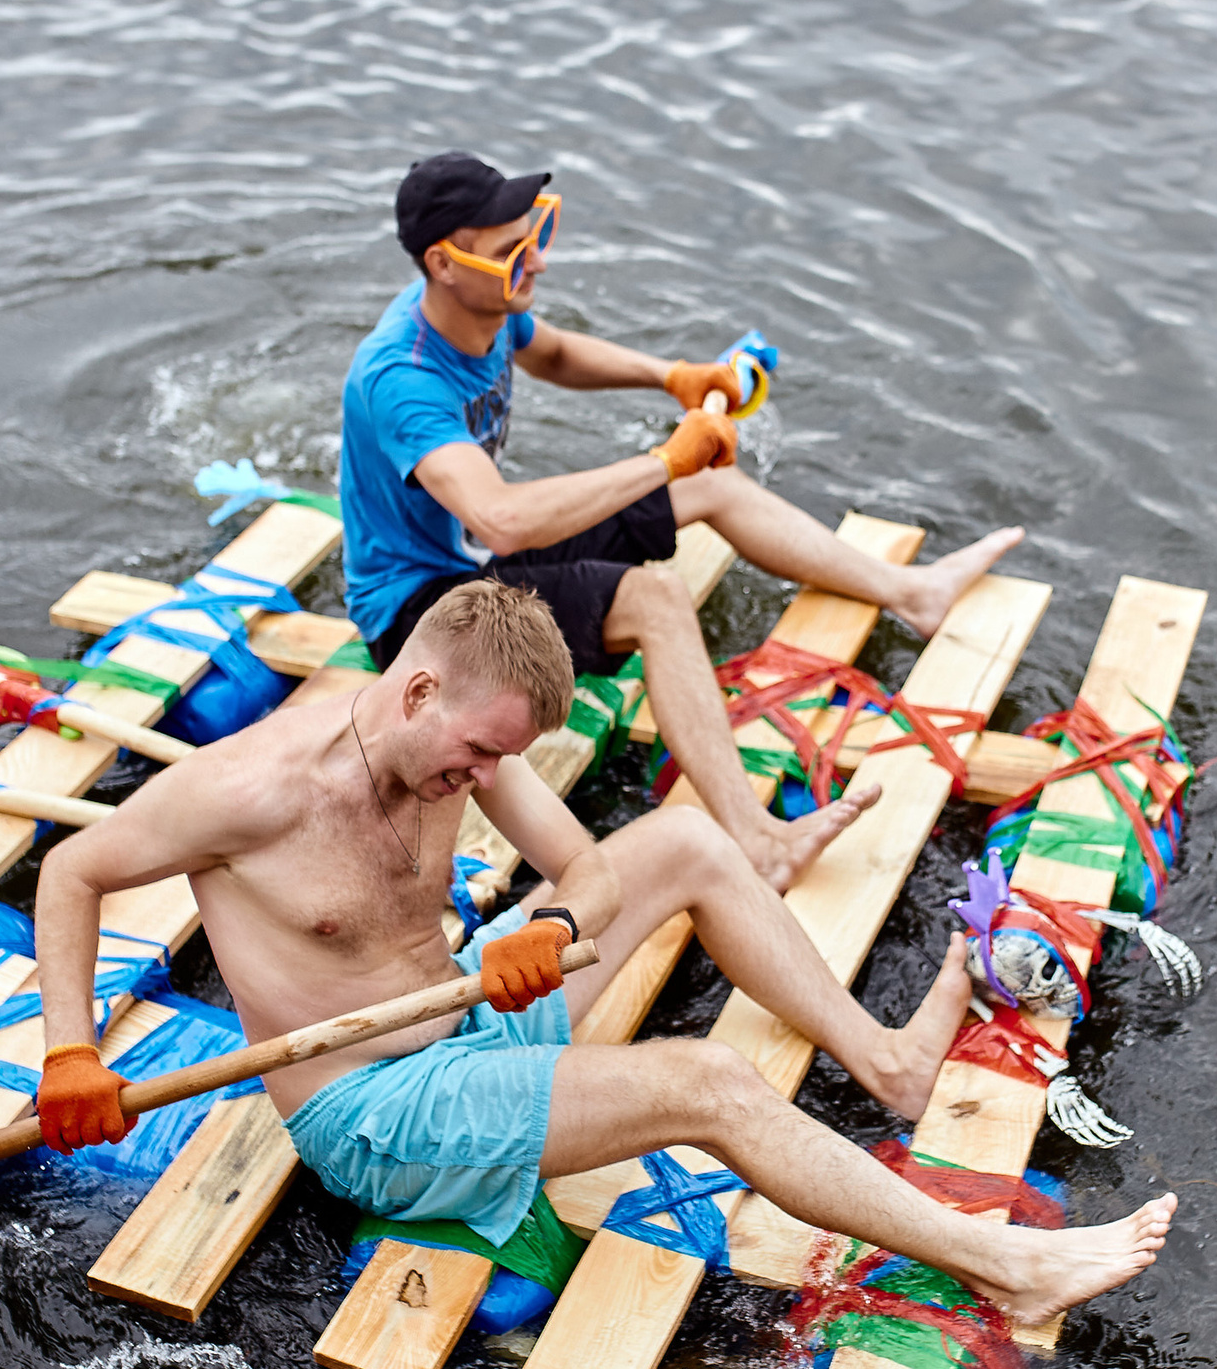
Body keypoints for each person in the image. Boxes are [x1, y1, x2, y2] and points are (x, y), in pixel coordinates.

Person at [29, 581, 1173, 1325]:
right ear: (420, 688)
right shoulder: (247, 793)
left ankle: (890, 1067)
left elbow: (588, 872)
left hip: (472, 1015)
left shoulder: (464, 739)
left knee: (680, 836)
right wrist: (70, 1054)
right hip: (376, 1108)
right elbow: (74, 874)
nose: (482, 782)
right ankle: (1002, 1264)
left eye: (498, 762)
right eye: (475, 755)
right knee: (707, 1081)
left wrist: (552, 928)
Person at [338, 150, 1027, 892]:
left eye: (536, 236)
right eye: (512, 254)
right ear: (443, 264)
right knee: (656, 600)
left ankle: (909, 593)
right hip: (422, 605)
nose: (533, 263)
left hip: (476, 551)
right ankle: (759, 840)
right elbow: (502, 518)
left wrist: (672, 375)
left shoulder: (488, 306)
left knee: (714, 483)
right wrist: (666, 458)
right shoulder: (402, 378)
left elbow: (559, 351)